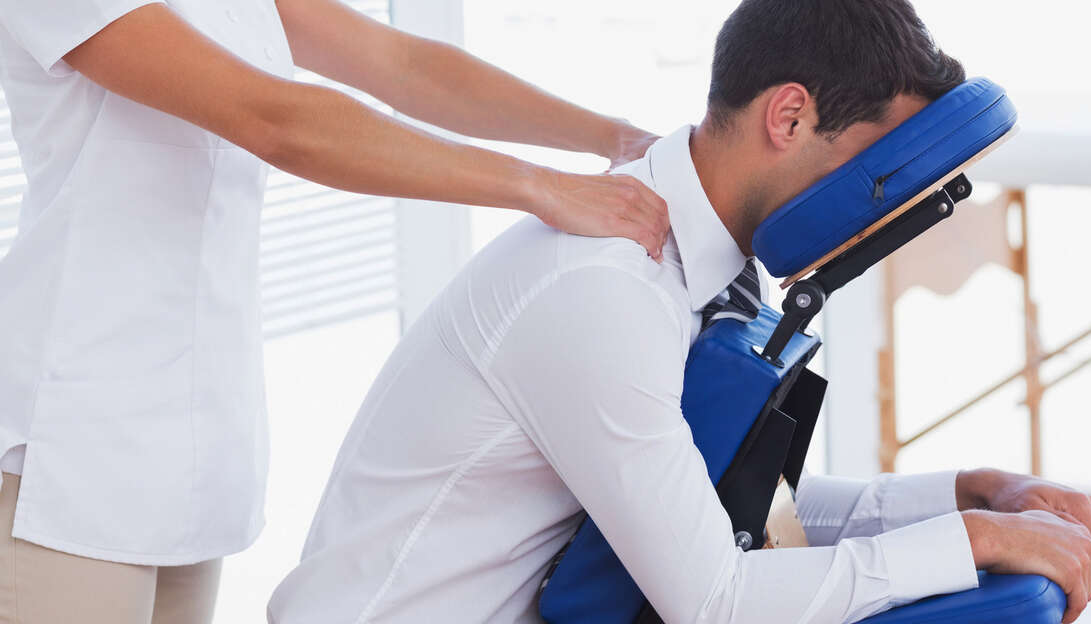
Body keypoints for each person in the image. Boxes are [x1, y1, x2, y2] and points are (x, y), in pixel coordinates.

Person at [267, 1, 1091, 623]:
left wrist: (966, 498)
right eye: (879, 169)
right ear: (789, 116)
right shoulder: (608, 286)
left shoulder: (698, 259)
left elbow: (718, 512)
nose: (878, 211)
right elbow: (716, 600)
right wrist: (971, 542)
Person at [0, 1, 671, 622]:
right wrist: (540, 187)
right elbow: (276, 121)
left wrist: (615, 138)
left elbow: (404, 65)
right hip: (69, 443)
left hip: (195, 443)